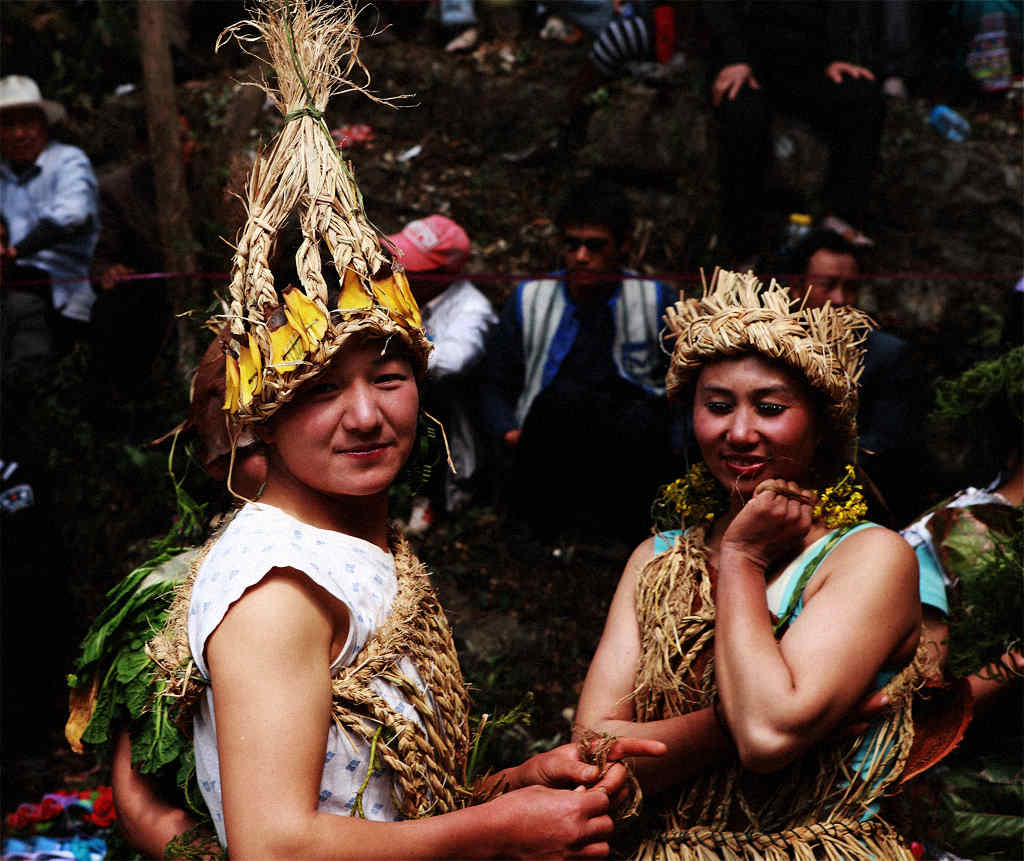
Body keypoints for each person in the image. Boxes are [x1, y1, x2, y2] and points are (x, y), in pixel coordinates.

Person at [75, 3, 663, 857]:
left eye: (389, 379)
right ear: (261, 418)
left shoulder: (348, 542)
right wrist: (497, 830)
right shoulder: (278, 590)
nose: (366, 414)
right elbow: (274, 845)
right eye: (320, 390)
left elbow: (367, 797)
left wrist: (512, 785)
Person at [575, 270, 937, 859]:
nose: (739, 432)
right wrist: (730, 722)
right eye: (717, 406)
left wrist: (742, 559)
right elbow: (593, 755)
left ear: (821, 425)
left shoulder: (868, 556)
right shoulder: (657, 560)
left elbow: (767, 735)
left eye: (769, 408)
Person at [482, 180, 676, 541]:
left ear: (623, 246)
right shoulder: (530, 298)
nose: (582, 257)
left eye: (595, 246)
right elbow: (496, 381)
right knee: (565, 400)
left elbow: (679, 384)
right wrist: (509, 432)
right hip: (547, 440)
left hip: (628, 445)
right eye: (572, 245)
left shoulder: (655, 298)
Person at [702, 1, 884, 258]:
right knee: (742, 111)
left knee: (862, 96)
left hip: (807, 61)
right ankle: (742, 242)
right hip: (745, 58)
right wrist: (735, 57)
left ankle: (840, 220)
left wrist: (839, 56)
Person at [779, 227, 923, 526]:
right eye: (827, 285)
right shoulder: (773, 349)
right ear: (795, 286)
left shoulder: (886, 355)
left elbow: (886, 443)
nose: (841, 299)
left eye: (851, 288)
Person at [385, 214, 496, 515]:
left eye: (411, 266)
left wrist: (396, 351)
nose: (399, 270)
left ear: (442, 274)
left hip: (454, 412)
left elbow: (456, 360)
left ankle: (433, 499)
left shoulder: (472, 309)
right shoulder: (403, 291)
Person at [0, 75, 99, 353]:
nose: (19, 134)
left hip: (63, 295)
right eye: (8, 125)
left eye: (27, 123)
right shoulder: (2, 175)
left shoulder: (68, 161)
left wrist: (16, 252)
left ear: (44, 124)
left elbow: (73, 216)